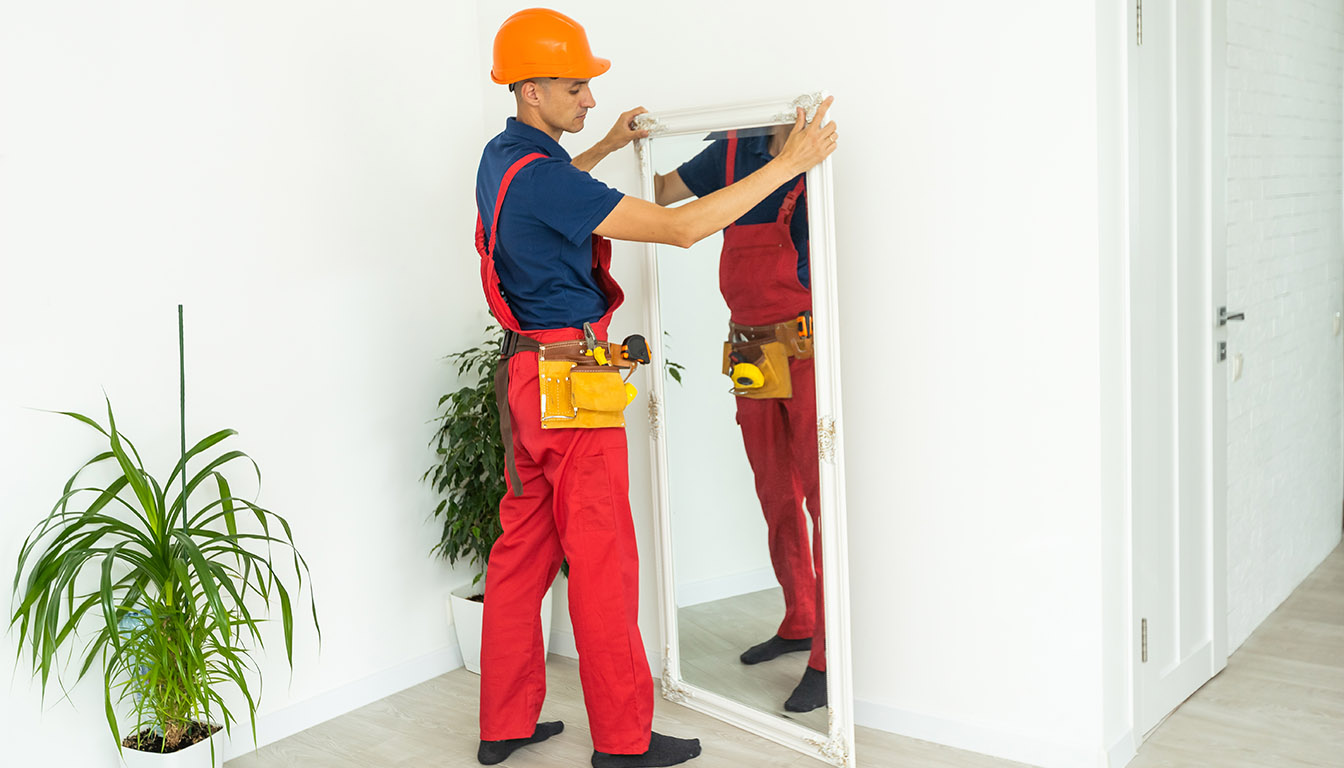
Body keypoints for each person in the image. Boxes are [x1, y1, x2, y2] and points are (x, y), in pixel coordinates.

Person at [472, 8, 837, 767]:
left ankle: (503, 724)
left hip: (524, 378)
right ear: (532, 90)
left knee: (519, 556)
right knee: (604, 565)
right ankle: (623, 741)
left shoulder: (502, 158)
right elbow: (680, 226)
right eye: (577, 89)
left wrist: (606, 147)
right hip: (574, 381)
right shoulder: (544, 178)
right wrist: (787, 162)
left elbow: (552, 191)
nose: (590, 100)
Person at [653, 124, 827, 713]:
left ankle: (828, 654)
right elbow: (657, 193)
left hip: (808, 350)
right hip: (750, 348)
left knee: (822, 501)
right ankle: (799, 618)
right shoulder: (731, 149)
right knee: (775, 491)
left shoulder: (820, 146)